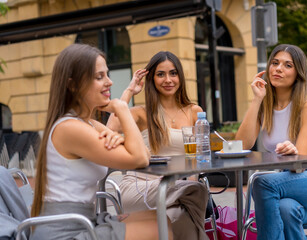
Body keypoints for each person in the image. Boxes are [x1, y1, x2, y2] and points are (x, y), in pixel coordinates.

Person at [30, 44, 173, 240]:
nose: (109, 82)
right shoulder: (69, 128)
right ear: (72, 85)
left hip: (85, 220)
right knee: (159, 229)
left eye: (107, 74)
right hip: (63, 232)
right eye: (99, 77)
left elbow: (144, 154)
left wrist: (121, 139)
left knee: (161, 218)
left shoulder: (89, 124)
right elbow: (139, 158)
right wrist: (121, 108)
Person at [235, 44, 307, 239]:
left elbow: (299, 164)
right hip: (291, 185)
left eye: (288, 65)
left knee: (262, 183)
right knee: (286, 210)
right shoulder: (264, 107)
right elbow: (241, 145)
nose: (278, 68)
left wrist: (293, 150)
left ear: (299, 73)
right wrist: (256, 100)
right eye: (275, 63)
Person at [107, 51, 209, 240]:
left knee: (182, 215)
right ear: (152, 79)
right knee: (197, 190)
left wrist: (190, 181)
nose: (168, 80)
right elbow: (110, 128)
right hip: (139, 188)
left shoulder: (194, 112)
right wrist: (129, 90)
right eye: (160, 74)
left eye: (173, 73)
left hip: (177, 191)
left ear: (180, 77)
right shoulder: (140, 113)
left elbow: (197, 158)